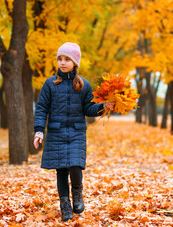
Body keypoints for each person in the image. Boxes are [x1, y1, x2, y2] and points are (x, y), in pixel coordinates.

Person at [33, 42, 114, 221]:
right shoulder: (50, 84)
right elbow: (41, 109)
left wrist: (103, 107)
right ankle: (65, 204)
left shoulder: (83, 84)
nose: (62, 62)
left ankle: (77, 192)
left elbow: (89, 109)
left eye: (67, 59)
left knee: (76, 165)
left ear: (75, 62)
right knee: (61, 170)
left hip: (77, 133)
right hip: (56, 132)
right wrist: (39, 131)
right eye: (60, 59)